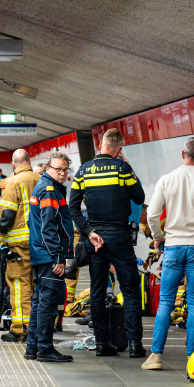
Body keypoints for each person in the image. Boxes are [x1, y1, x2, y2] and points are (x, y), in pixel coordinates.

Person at [137, 139, 194, 370]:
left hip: (173, 247)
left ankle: (156, 356)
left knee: (166, 303)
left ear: (183, 154)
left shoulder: (166, 180)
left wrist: (158, 236)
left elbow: (152, 215)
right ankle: (192, 358)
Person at [68, 128, 146, 358]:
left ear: (101, 145)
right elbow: (139, 197)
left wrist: (89, 230)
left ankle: (102, 344)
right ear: (119, 149)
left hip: (95, 240)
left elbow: (73, 208)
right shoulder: (123, 168)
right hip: (120, 237)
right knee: (130, 290)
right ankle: (134, 345)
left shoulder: (83, 171)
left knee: (98, 291)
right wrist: (129, 168)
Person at [27, 155, 74, 363]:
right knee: (47, 303)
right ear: (47, 168)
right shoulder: (49, 190)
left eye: (65, 170)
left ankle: (33, 347)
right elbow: (49, 227)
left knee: (39, 302)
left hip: (40, 254)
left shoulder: (46, 187)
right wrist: (57, 256)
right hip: (48, 256)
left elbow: (33, 221)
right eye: (58, 169)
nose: (62, 173)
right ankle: (44, 349)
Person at [0, 149, 37, 343]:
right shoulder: (40, 180)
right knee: (35, 286)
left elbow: (6, 217)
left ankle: (20, 328)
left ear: (13, 164)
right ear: (29, 161)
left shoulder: (12, 183)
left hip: (19, 246)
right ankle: (37, 325)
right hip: (40, 244)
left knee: (19, 284)